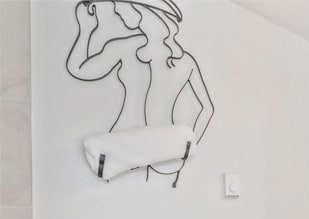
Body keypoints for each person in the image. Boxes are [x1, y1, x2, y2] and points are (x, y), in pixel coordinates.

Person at [66, 0, 214, 144]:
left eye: (121, 4)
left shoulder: (125, 46)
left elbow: (78, 69)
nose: (116, 9)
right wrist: (189, 146)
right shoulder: (184, 60)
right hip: (163, 145)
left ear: (138, 9)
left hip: (127, 143)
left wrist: (85, 29)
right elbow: (207, 109)